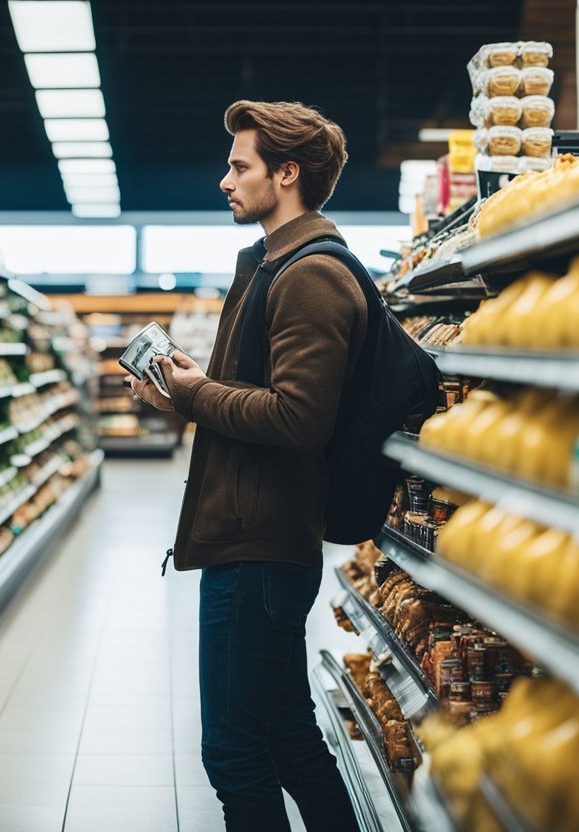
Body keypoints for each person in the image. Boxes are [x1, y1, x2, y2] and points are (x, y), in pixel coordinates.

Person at [127, 100, 364, 830]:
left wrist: (199, 393)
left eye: (240, 166)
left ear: (286, 173)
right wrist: (187, 395)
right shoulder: (272, 267)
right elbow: (255, 399)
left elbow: (297, 417)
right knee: (289, 738)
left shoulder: (310, 276)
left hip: (259, 547)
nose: (224, 180)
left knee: (233, 751)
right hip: (255, 537)